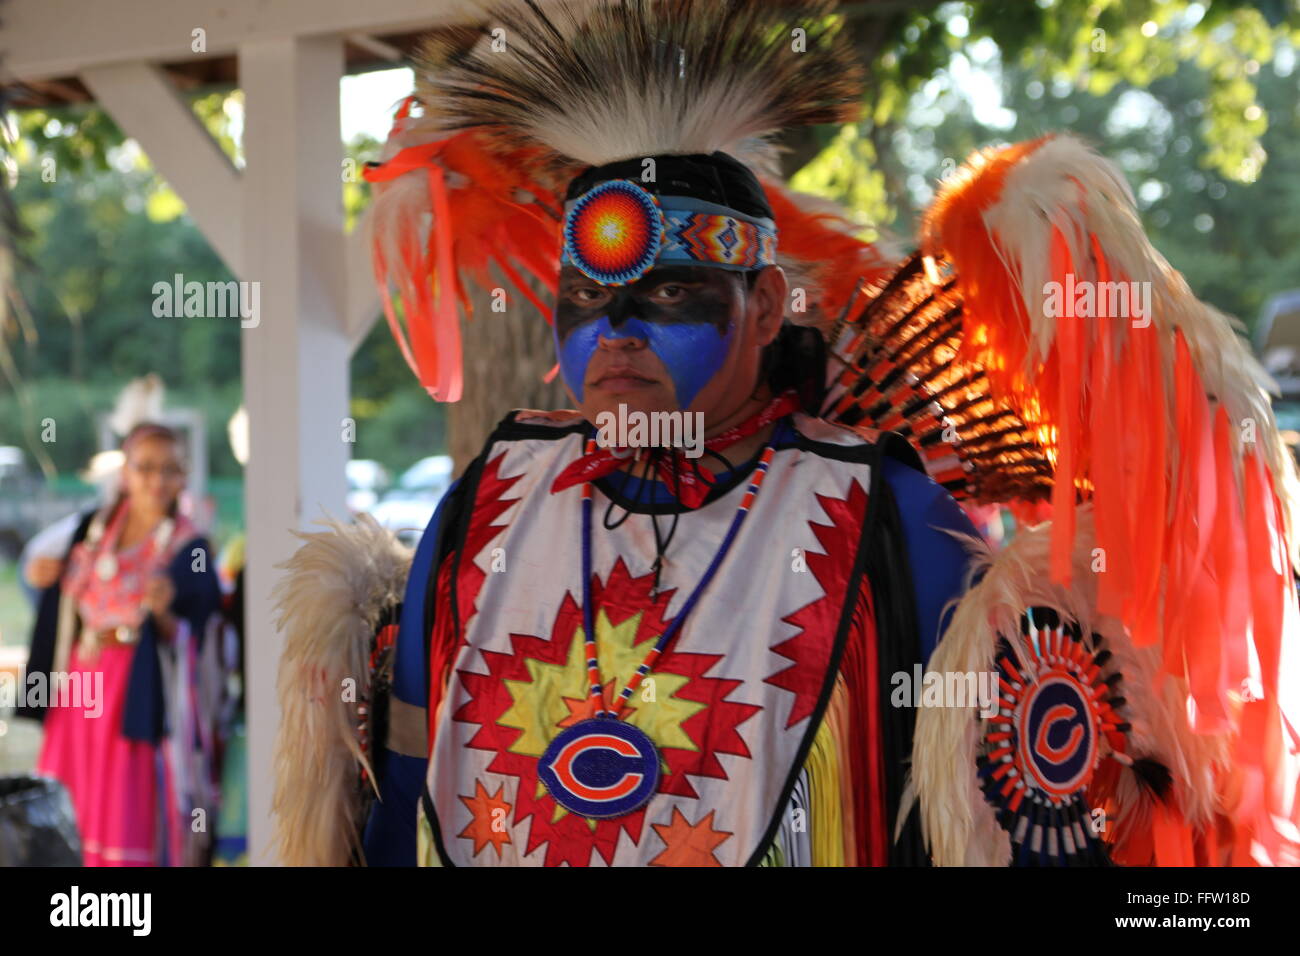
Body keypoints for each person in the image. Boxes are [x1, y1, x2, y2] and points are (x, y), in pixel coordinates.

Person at [274, 0, 1300, 867]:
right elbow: (403, 802)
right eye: (586, 295)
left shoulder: (884, 514)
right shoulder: (488, 499)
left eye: (669, 291)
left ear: (766, 306)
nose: (616, 331)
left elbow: (980, 816)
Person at [19, 422, 223, 866]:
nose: (157, 480)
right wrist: (43, 578)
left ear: (184, 476)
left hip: (133, 688)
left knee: (121, 795)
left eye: (169, 469)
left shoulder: (190, 547)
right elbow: (42, 573)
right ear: (125, 472)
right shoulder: (97, 525)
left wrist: (166, 613)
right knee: (74, 788)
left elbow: (202, 631)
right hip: (81, 678)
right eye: (145, 467)